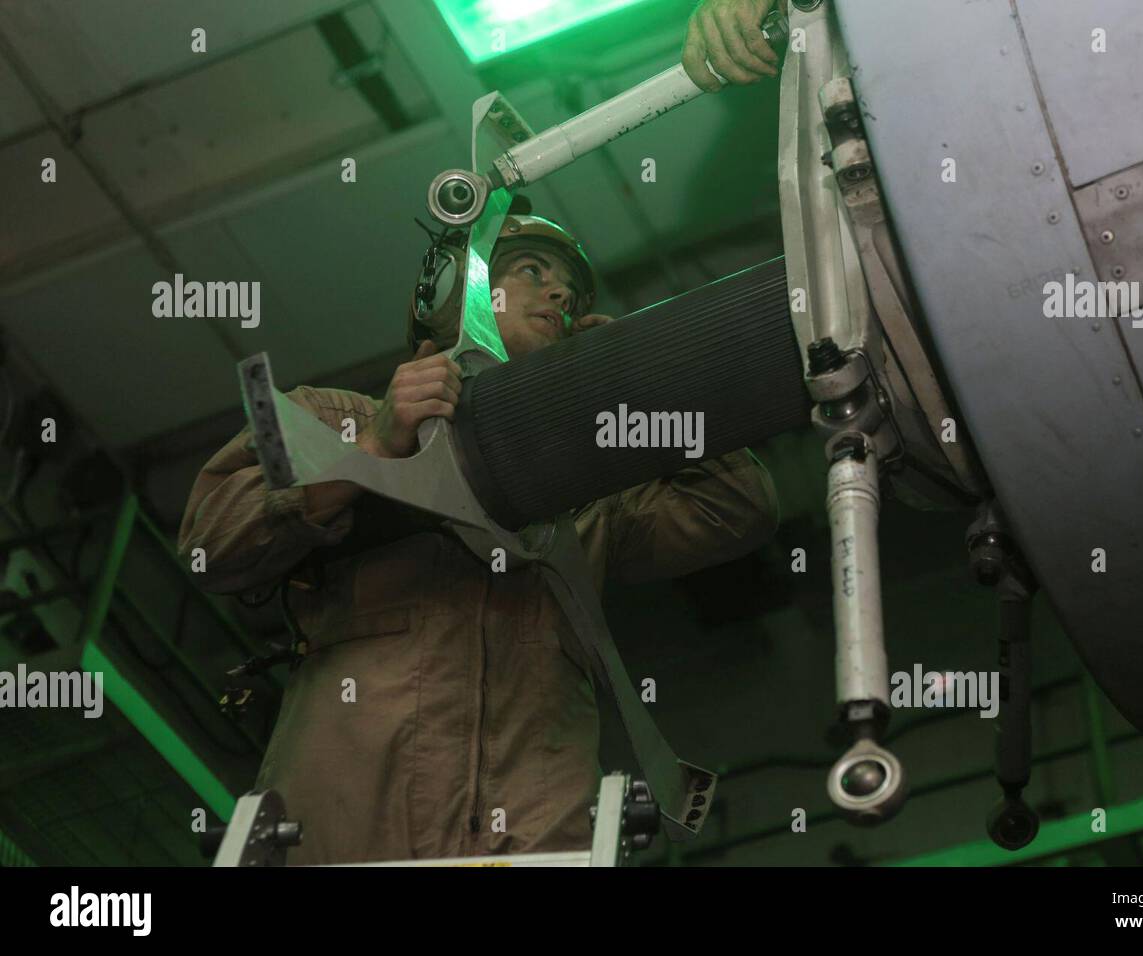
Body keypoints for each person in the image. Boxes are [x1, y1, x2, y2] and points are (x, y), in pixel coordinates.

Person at [179, 207, 780, 863]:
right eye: (531, 272)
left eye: (572, 295)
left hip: (529, 835)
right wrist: (376, 446)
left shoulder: (590, 496)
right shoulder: (333, 420)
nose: (560, 296)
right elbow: (212, 544)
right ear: (449, 296)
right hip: (346, 828)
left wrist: (642, 383)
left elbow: (737, 508)